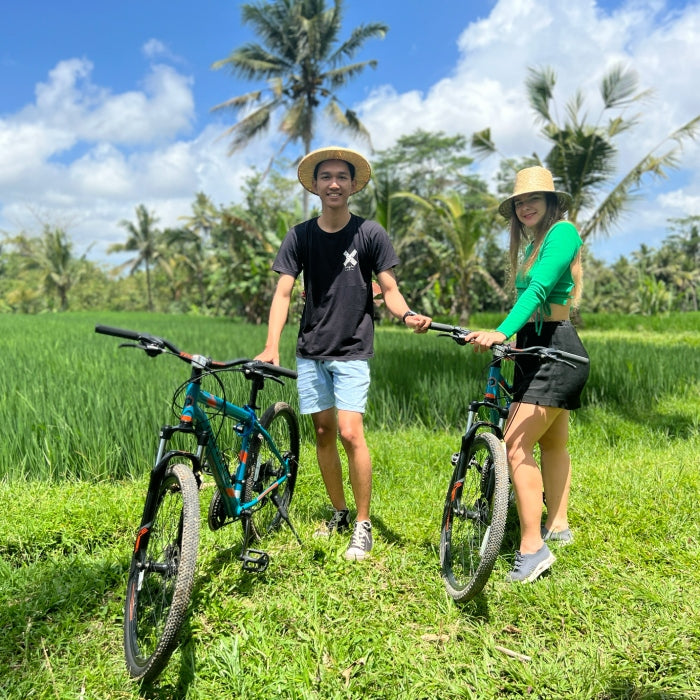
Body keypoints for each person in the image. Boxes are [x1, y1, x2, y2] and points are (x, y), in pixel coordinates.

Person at [255, 146, 431, 561]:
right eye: (326, 177)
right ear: (315, 186)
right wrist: (270, 345)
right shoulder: (299, 236)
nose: (334, 183)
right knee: (322, 434)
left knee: (351, 433)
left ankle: (362, 524)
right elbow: (283, 293)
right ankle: (338, 511)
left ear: (353, 185)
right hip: (311, 348)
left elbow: (389, 290)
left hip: (352, 348)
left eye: (341, 177)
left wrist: (406, 315)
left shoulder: (369, 233)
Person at [465, 165, 589, 583]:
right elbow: (532, 303)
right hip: (536, 347)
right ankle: (558, 524)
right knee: (552, 442)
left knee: (515, 445)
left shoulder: (563, 232)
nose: (525, 207)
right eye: (519, 202)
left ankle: (533, 547)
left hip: (556, 348)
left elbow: (537, 293)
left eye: (532, 199)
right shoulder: (534, 245)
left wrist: (501, 329)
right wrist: (512, 342)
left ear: (551, 202)